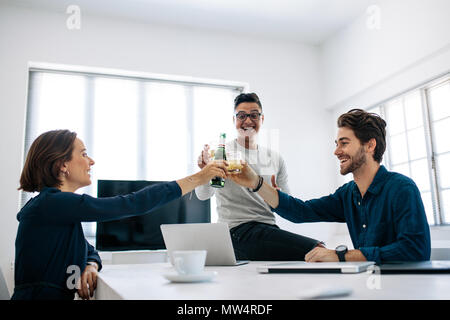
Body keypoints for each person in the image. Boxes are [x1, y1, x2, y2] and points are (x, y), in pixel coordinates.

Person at [12, 129, 228, 300]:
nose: (91, 161)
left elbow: (89, 251)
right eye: (84, 154)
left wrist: (91, 265)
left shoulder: (58, 212)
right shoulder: (51, 204)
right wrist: (199, 178)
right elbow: (132, 204)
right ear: (62, 164)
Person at [229, 108, 431, 264]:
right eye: (336, 143)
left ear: (370, 145)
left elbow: (415, 250)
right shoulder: (348, 194)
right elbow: (301, 211)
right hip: (369, 284)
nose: (336, 151)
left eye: (344, 143)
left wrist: (341, 255)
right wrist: (256, 183)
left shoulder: (402, 188)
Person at [195, 93, 322, 261]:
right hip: (236, 231)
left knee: (314, 253)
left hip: (268, 229)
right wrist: (205, 173)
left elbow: (288, 204)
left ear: (262, 119)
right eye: (241, 116)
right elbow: (202, 195)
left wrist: (276, 195)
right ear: (234, 120)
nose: (248, 121)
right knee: (316, 249)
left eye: (254, 115)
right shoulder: (221, 152)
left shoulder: (275, 158)